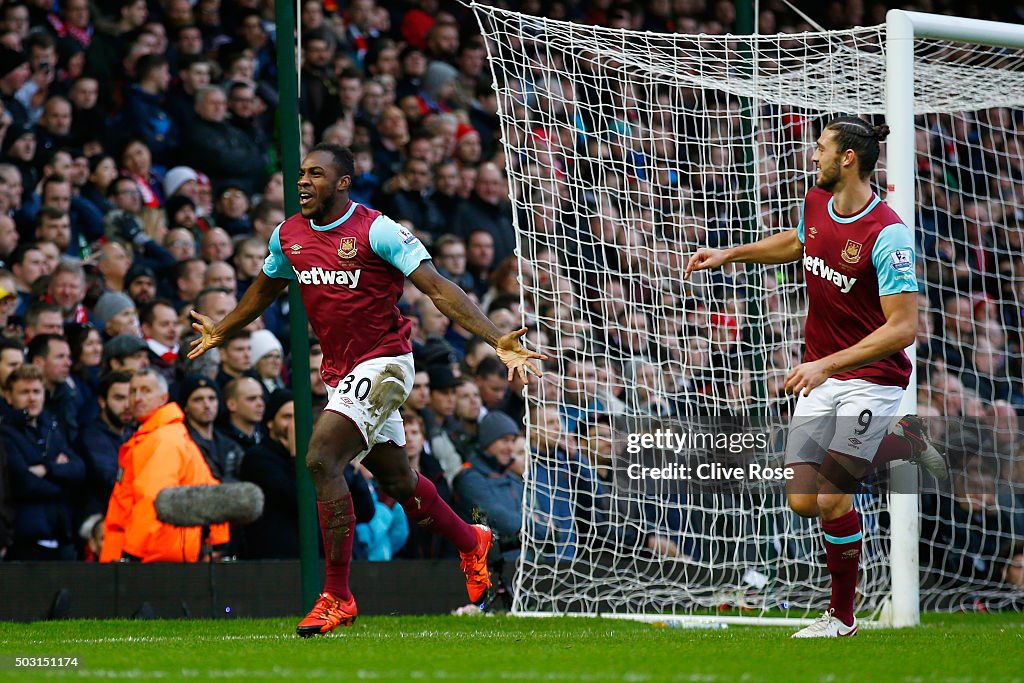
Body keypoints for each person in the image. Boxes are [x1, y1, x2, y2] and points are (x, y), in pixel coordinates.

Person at [187, 143, 545, 636]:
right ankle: (472, 541)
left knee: (320, 460)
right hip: (341, 374)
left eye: (316, 174)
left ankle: (337, 595)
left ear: (342, 182)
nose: (303, 182)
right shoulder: (287, 235)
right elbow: (266, 287)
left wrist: (493, 339)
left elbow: (437, 287)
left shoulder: (377, 229)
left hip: (386, 364)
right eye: (301, 174)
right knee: (399, 482)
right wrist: (224, 328)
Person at [685, 116, 942, 638]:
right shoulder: (815, 201)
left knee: (830, 495)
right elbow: (799, 243)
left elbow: (904, 327)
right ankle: (887, 451)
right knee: (802, 500)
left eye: (821, 147)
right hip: (822, 376)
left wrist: (827, 363)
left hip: (872, 381)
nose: (813, 155)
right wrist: (730, 254)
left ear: (848, 158)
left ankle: (841, 617)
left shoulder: (888, 235)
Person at [100, 369, 229, 563]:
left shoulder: (163, 440)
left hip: (154, 556)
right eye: (133, 391)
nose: (137, 398)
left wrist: (130, 555)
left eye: (146, 391)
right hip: (164, 551)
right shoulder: (161, 435)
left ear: (163, 397)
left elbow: (152, 499)